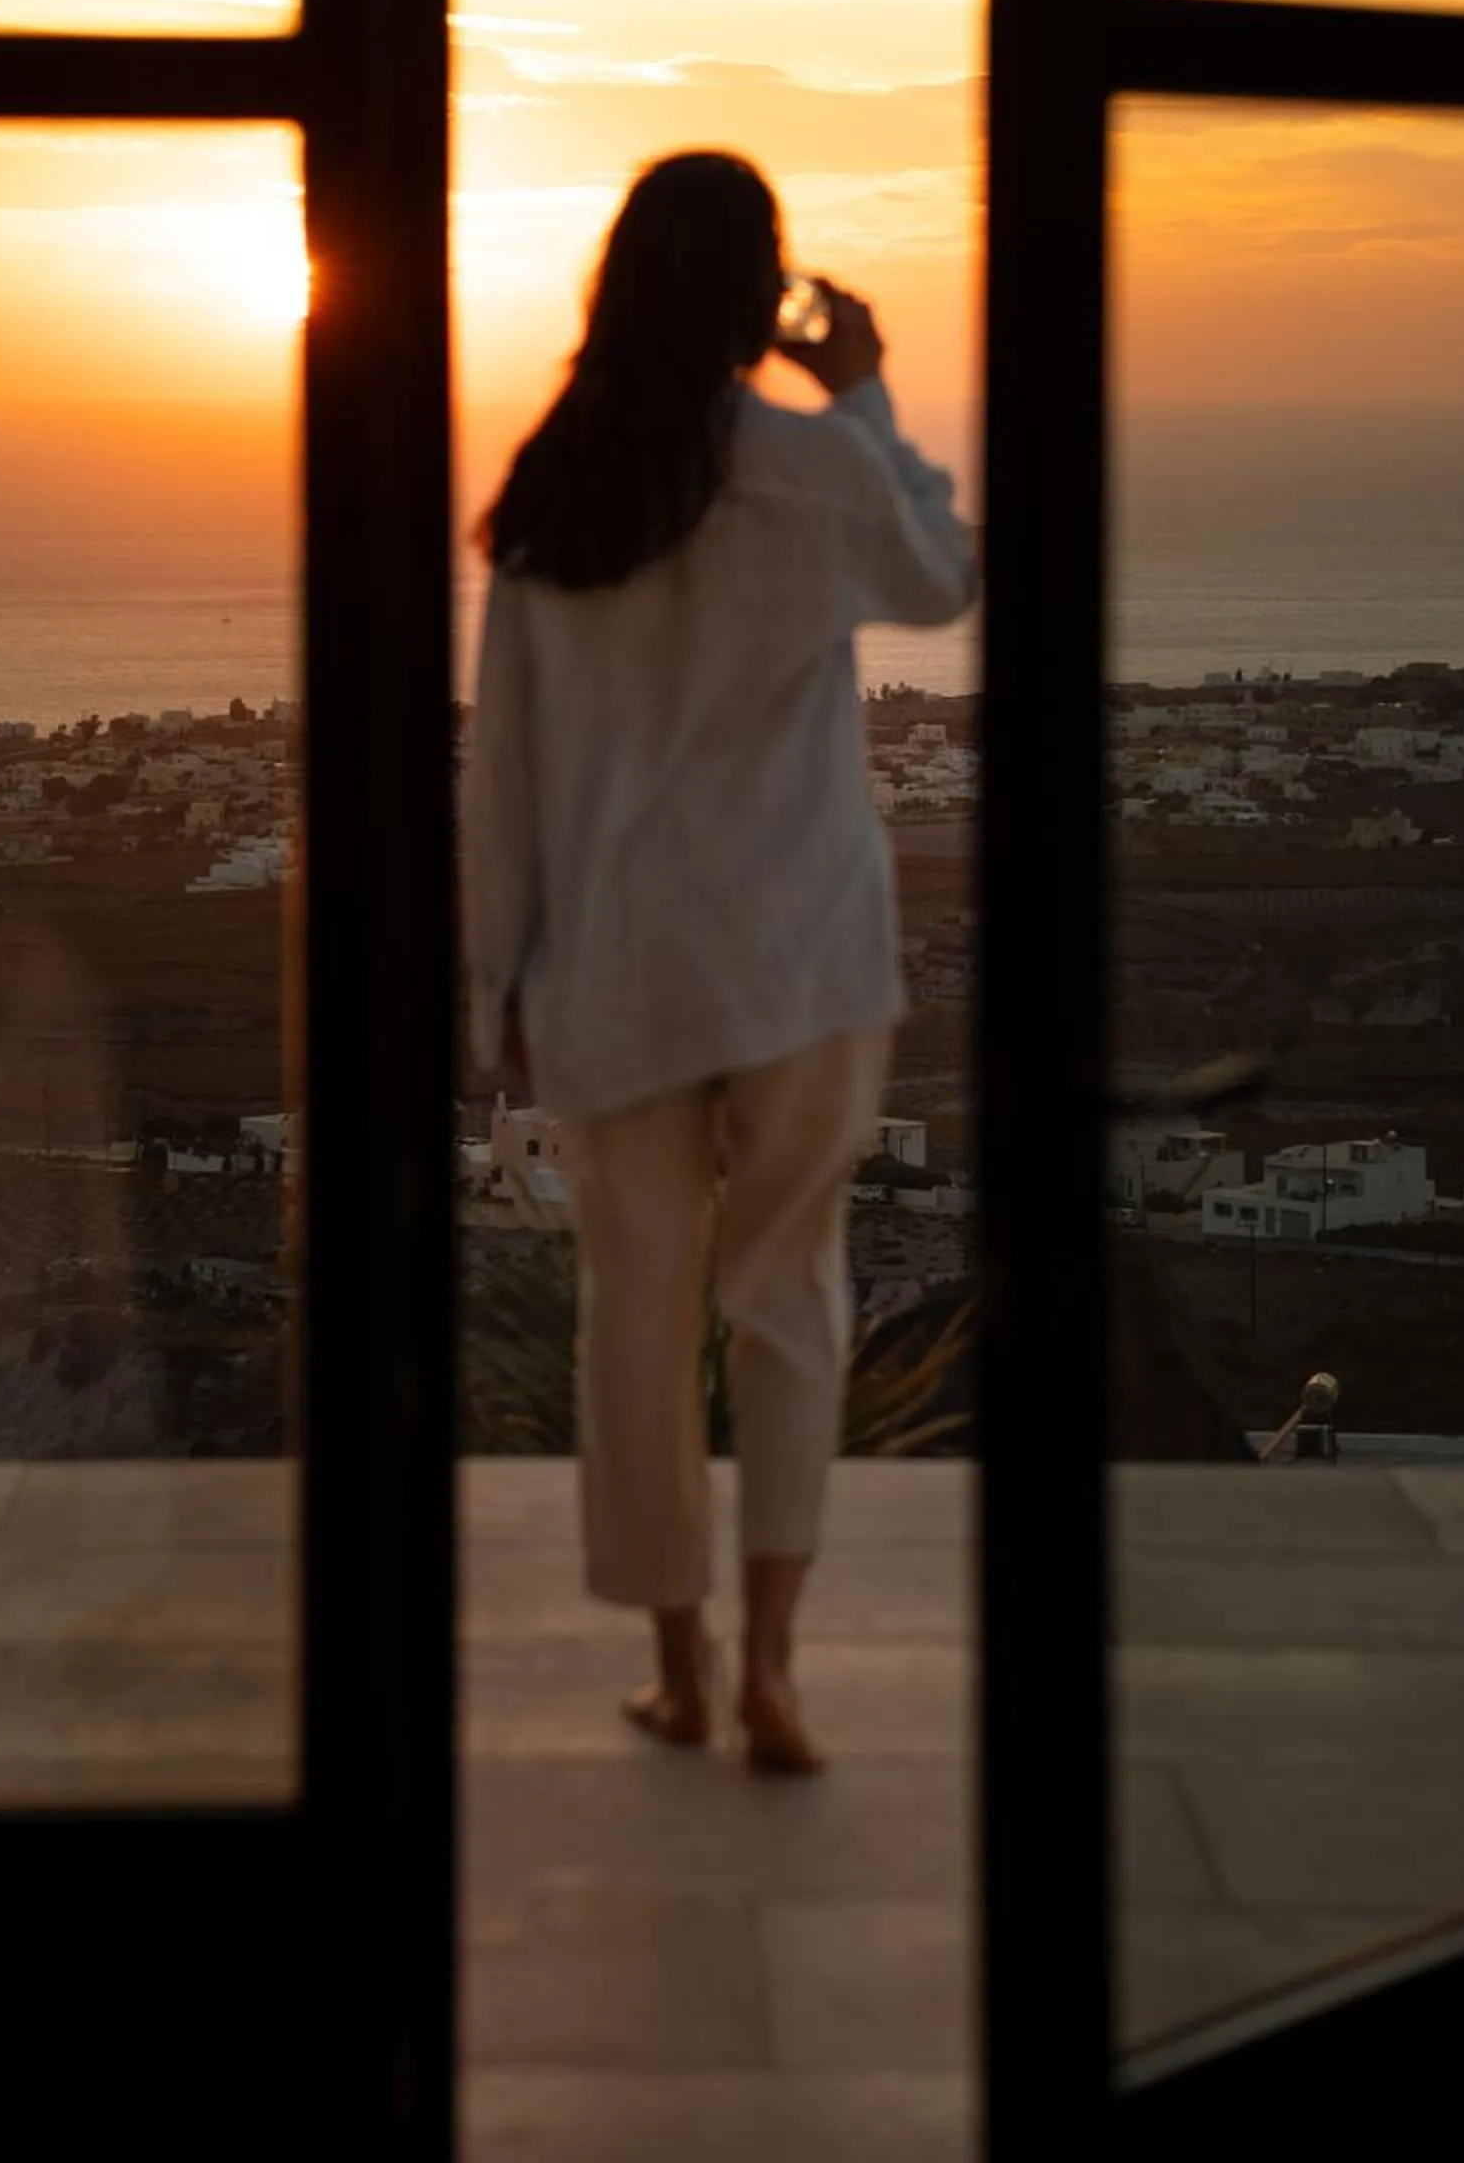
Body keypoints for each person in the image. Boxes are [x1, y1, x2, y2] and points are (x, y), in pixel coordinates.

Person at [462, 148, 977, 1774]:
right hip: (803, 960)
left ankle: (680, 1671)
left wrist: (498, 994)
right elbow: (943, 579)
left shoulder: (554, 492)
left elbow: (510, 781)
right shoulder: (819, 468)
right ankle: (771, 1670)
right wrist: (873, 395)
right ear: (767, 296)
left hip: (617, 973)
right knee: (787, 1304)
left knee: (637, 1313)